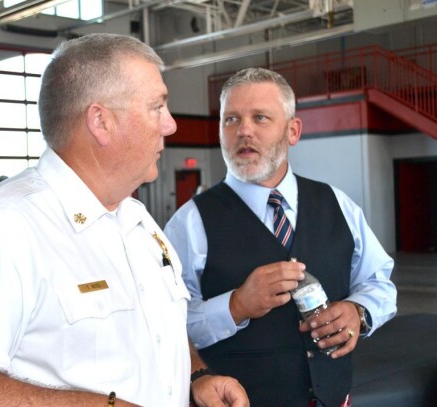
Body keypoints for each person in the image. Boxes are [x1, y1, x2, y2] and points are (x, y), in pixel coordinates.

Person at [0, 34, 249, 407]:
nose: (170, 125)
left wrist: (194, 376)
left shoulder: (137, 222)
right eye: (157, 107)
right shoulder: (1, 228)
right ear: (100, 122)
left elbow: (155, 328)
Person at [164, 67, 397, 407]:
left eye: (260, 118)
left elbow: (380, 282)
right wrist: (235, 305)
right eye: (231, 120)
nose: (244, 131)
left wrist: (358, 311)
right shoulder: (189, 223)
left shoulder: (337, 203)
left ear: (293, 131)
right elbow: (166, 326)